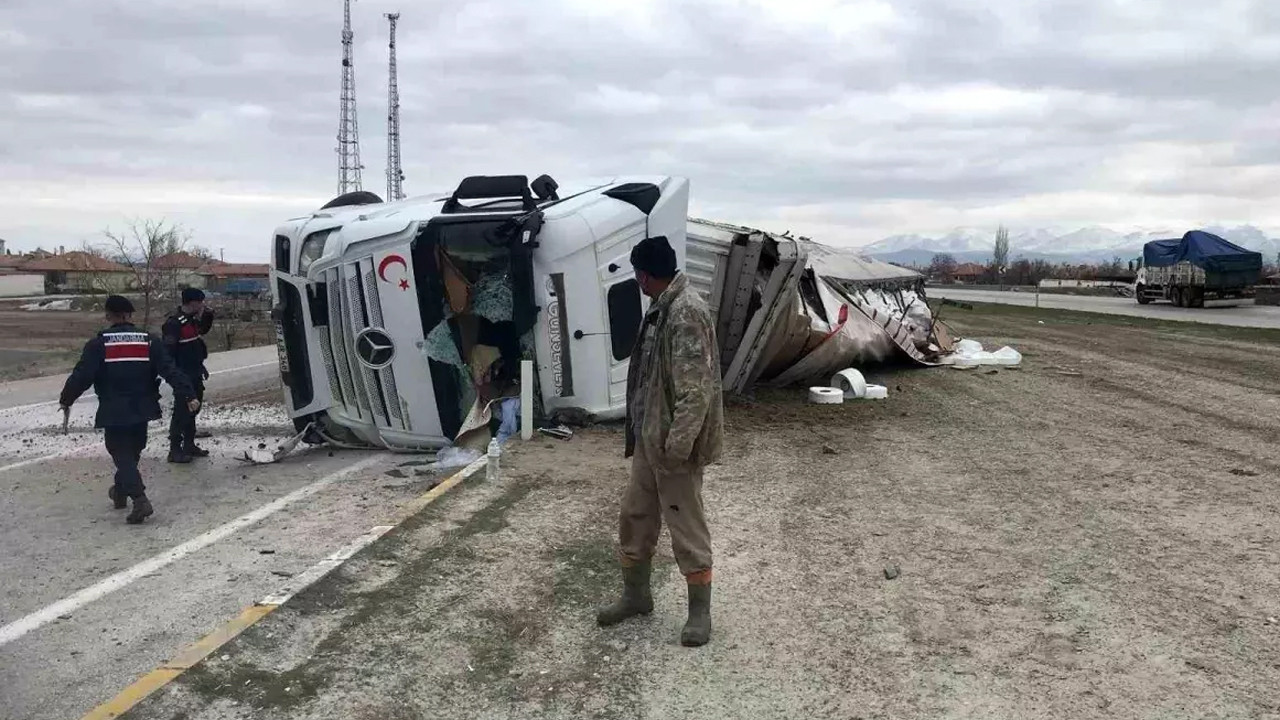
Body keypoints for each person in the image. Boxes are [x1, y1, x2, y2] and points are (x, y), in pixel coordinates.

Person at [597, 235, 725, 647]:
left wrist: (677, 448)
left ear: (645, 275)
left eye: (638, 274)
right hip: (650, 440)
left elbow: (695, 391)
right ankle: (636, 596)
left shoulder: (685, 312)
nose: (637, 281)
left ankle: (699, 614)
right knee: (635, 516)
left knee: (686, 526)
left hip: (673, 447)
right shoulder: (662, 307)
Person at [59, 295, 200, 524]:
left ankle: (140, 499)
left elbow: (82, 376)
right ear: (130, 315)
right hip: (143, 407)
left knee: (121, 453)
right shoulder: (149, 341)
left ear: (108, 315)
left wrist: (66, 399)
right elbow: (170, 370)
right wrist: (189, 393)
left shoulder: (99, 345)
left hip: (114, 409)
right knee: (132, 452)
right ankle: (120, 490)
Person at [162, 288, 214, 463]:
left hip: (195, 371)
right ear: (192, 303)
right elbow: (168, 353)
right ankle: (175, 449)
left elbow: (201, 332)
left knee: (194, 408)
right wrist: (175, 376)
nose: (202, 305)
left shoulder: (191, 320)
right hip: (182, 374)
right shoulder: (174, 323)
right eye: (200, 302)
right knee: (182, 411)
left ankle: (189, 444)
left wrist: (208, 316)